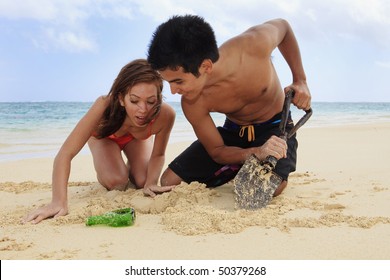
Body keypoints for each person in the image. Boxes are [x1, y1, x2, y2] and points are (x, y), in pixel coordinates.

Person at [147, 15, 311, 196]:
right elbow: (217, 151)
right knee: (169, 181)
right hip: (234, 132)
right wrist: (256, 152)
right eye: (168, 82)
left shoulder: (253, 44)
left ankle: (243, 167)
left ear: (205, 66)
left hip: (274, 128)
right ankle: (243, 164)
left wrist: (300, 80)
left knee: (259, 189)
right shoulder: (192, 103)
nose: (173, 91)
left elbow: (284, 27)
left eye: (178, 81)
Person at [24, 59, 176, 224]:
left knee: (142, 180)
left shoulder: (165, 115)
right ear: (121, 98)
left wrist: (151, 182)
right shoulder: (104, 106)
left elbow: (159, 154)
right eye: (134, 100)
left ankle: (132, 166)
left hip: (136, 141)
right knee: (117, 181)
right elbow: (65, 154)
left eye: (151, 101)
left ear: (159, 98)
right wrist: (58, 201)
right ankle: (116, 166)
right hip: (104, 138)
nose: (143, 109)